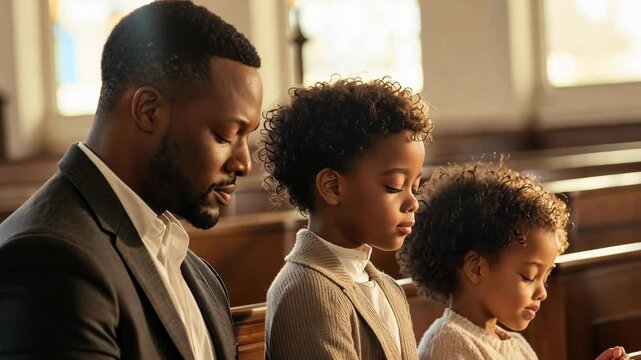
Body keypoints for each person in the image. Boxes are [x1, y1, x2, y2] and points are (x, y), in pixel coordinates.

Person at [0, 1, 262, 359]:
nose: (244, 163)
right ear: (149, 111)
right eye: (224, 134)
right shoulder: (51, 259)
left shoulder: (193, 268)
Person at [258, 77, 433, 359]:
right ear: (333, 187)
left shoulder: (388, 288)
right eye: (394, 186)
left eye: (415, 187)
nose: (413, 202)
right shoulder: (307, 292)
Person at [397, 161, 627, 360]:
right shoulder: (448, 344)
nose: (542, 292)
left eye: (545, 278)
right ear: (476, 268)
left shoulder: (516, 345)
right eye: (528, 277)